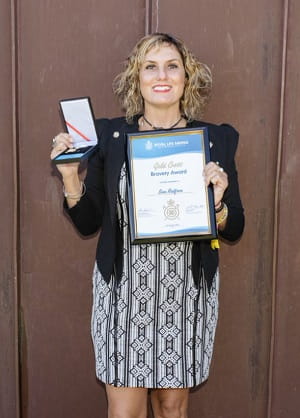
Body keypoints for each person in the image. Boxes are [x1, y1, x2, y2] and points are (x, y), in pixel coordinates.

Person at [51, 33, 244, 418]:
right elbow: (89, 221)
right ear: (135, 79)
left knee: (172, 408)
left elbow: (234, 226)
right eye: (150, 66)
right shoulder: (112, 137)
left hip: (185, 293)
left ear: (186, 78)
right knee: (125, 412)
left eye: (172, 66)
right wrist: (72, 177)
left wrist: (217, 202)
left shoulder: (214, 140)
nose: (162, 75)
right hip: (123, 291)